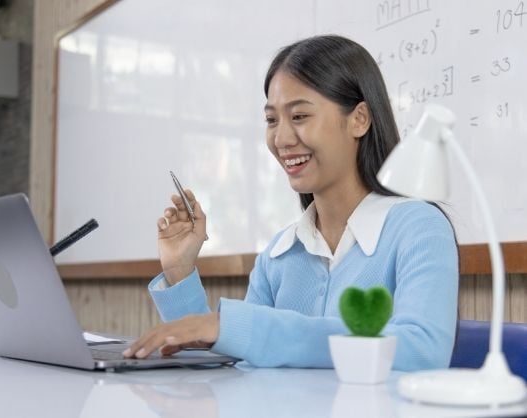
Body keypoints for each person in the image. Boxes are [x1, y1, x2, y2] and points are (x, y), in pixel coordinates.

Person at [122, 35, 459, 370]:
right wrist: (180, 271)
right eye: (272, 120)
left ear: (359, 119)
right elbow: (229, 366)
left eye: (299, 117)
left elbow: (422, 350)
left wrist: (243, 328)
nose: (281, 139)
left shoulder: (419, 228)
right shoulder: (279, 255)